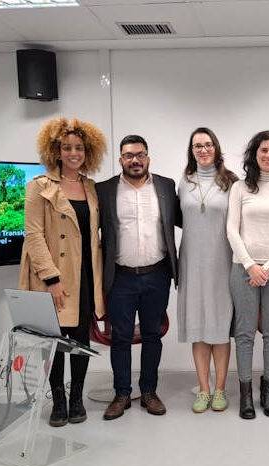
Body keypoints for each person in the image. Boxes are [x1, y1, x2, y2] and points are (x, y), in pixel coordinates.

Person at [19, 117, 106, 427]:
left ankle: (76, 397)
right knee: (53, 340)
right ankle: (58, 400)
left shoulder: (90, 187)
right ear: (55, 150)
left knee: (80, 339)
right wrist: (51, 278)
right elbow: (33, 235)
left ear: (87, 151)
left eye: (79, 148)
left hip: (85, 275)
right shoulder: (38, 186)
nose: (73, 153)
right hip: (54, 277)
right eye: (67, 147)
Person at [96, 135, 179, 420]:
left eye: (140, 154)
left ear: (148, 157)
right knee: (120, 337)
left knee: (152, 335)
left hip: (157, 274)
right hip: (120, 278)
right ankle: (121, 394)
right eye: (129, 155)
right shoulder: (104, 190)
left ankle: (149, 392)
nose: (135, 160)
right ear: (120, 159)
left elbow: (184, 219)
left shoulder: (166, 186)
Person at [227, 130, 269, 419]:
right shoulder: (239, 188)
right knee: (244, 334)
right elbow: (232, 230)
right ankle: (245, 395)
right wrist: (250, 266)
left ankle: (268, 394)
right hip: (243, 269)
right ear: (254, 154)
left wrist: (267, 267)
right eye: (264, 150)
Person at [177, 127, 238, 413]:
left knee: (220, 328)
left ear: (216, 147)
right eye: (197, 146)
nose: (203, 150)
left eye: (207, 144)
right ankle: (203, 389)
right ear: (191, 151)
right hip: (192, 264)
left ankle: (220, 389)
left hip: (222, 263)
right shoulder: (184, 182)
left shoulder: (231, 182)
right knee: (199, 327)